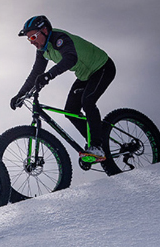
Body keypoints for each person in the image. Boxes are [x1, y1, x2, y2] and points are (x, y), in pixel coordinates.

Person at [11, 15, 116, 163]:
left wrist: (49, 75)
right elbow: (36, 73)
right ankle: (95, 144)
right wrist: (19, 95)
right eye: (29, 39)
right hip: (85, 75)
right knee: (70, 111)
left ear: (45, 30)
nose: (32, 42)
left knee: (88, 101)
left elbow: (70, 58)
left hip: (102, 68)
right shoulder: (43, 50)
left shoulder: (59, 39)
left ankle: (96, 146)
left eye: (33, 37)